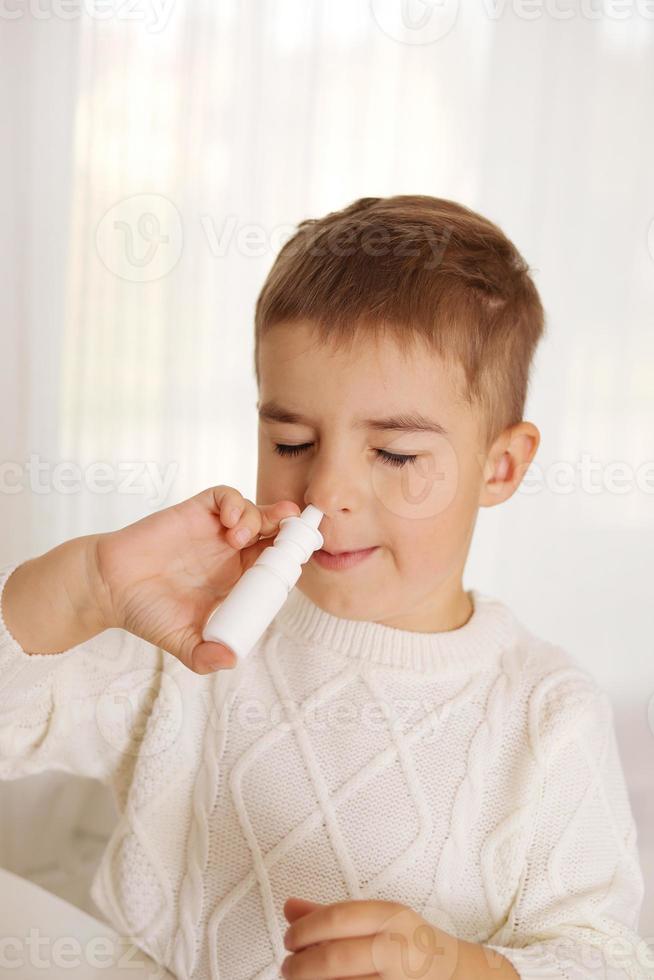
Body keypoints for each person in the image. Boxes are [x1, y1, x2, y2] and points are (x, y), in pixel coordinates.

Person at [0, 195, 649, 980]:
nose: (325, 491)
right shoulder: (198, 635)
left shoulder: (547, 716)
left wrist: (452, 967)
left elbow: (605, 957)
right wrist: (86, 588)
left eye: (397, 454)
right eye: (291, 440)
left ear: (500, 465)